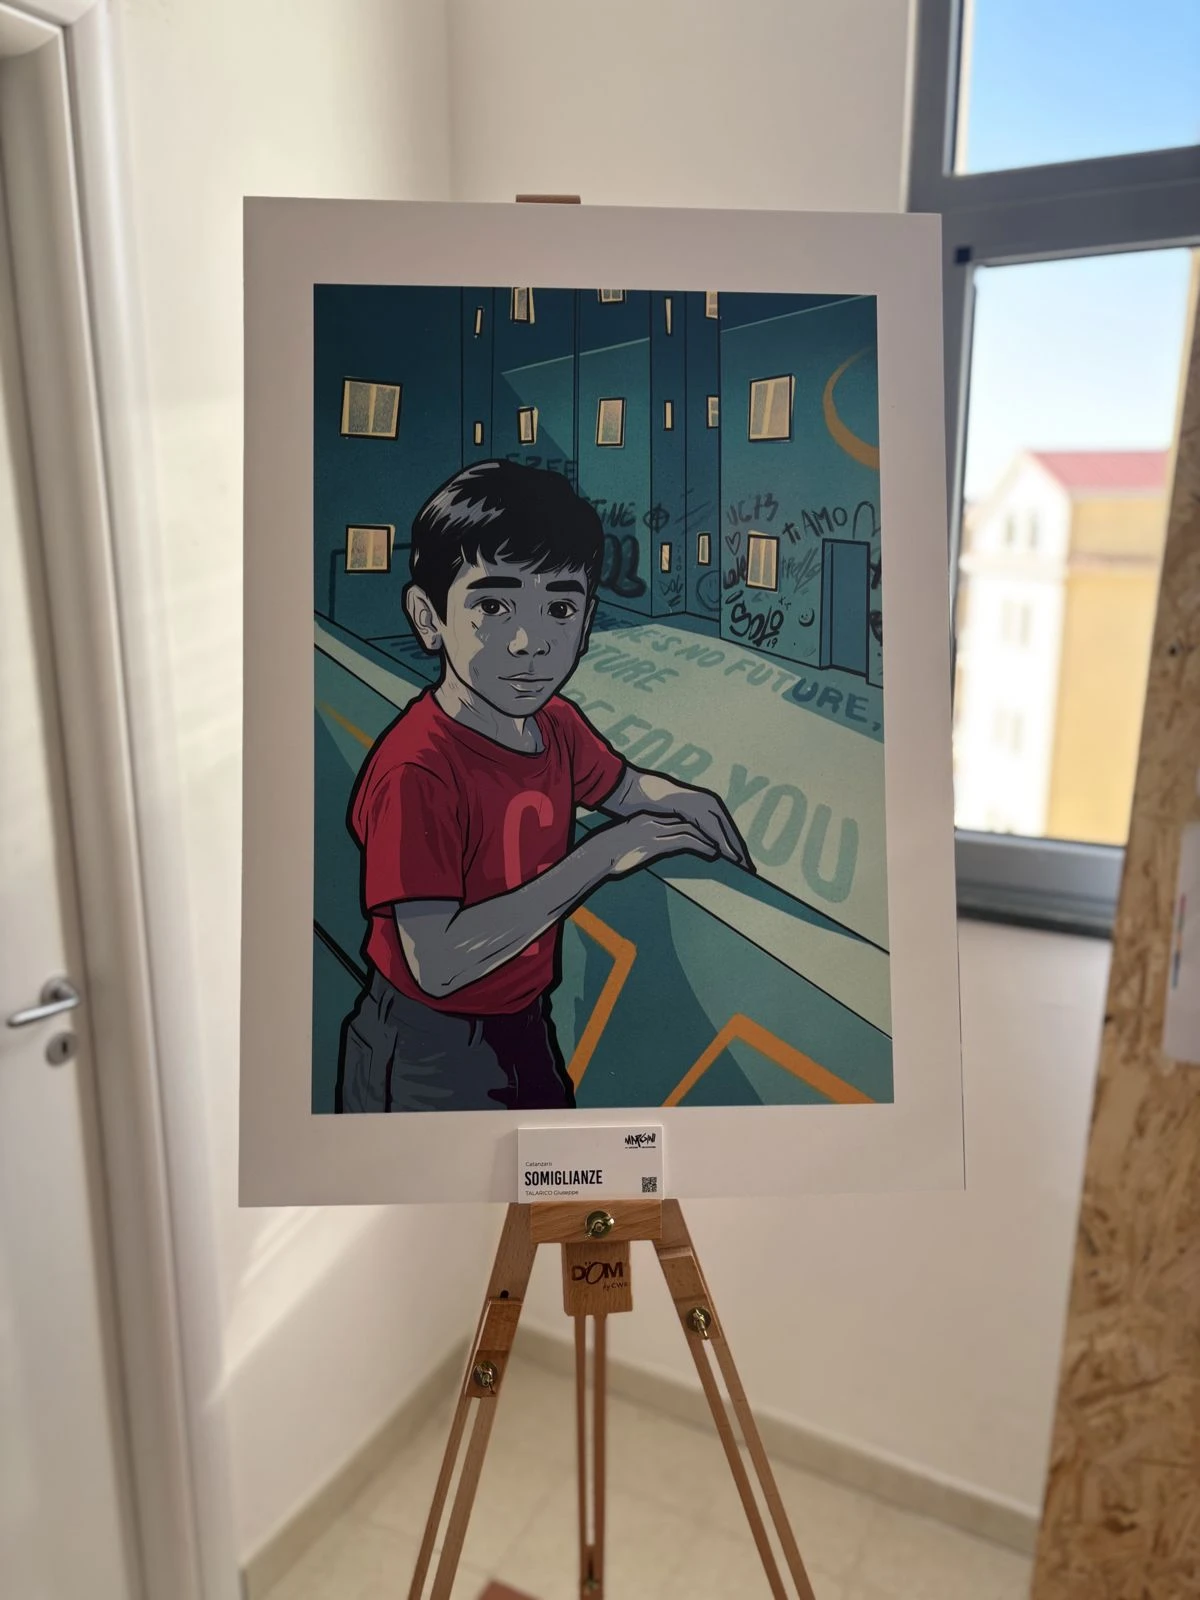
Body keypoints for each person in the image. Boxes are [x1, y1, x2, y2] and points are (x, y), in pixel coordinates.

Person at [337, 459, 751, 1113]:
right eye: (492, 606)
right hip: (422, 1044)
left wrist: (677, 797)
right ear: (428, 616)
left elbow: (621, 786)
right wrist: (604, 855)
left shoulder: (555, 724)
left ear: (587, 623)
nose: (530, 642)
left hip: (523, 1021)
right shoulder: (417, 769)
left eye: (559, 607)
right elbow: (437, 964)